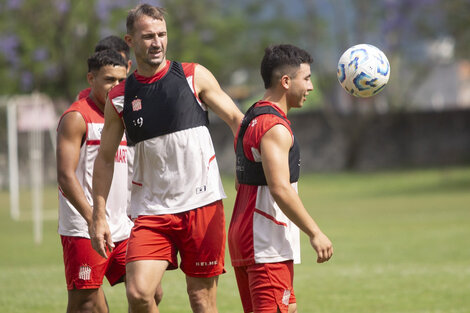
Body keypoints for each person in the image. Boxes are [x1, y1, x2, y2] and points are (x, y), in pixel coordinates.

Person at [90, 4, 243, 313]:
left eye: (162, 34)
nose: (157, 42)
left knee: (201, 299)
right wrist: (98, 215)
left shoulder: (192, 75)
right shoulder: (119, 96)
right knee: (138, 293)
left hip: (201, 205)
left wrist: (243, 169)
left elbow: (237, 121)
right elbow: (105, 159)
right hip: (152, 210)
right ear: (130, 41)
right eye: (148, 36)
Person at [228, 44, 334, 313]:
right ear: (286, 81)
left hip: (246, 238)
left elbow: (241, 181)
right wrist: (315, 232)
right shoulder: (274, 127)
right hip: (267, 243)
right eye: (306, 79)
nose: (310, 87)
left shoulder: (250, 117)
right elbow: (279, 188)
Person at [56, 49, 131, 313]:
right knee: (85, 304)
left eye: (122, 80)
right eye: (109, 80)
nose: (117, 87)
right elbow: (65, 176)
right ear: (91, 78)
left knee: (146, 290)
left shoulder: (125, 116)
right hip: (84, 227)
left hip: (123, 225)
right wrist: (92, 220)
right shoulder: (76, 117)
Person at [76, 35, 133, 100]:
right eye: (106, 60)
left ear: (128, 66)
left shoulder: (136, 99)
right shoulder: (82, 102)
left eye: (119, 60)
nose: (116, 86)